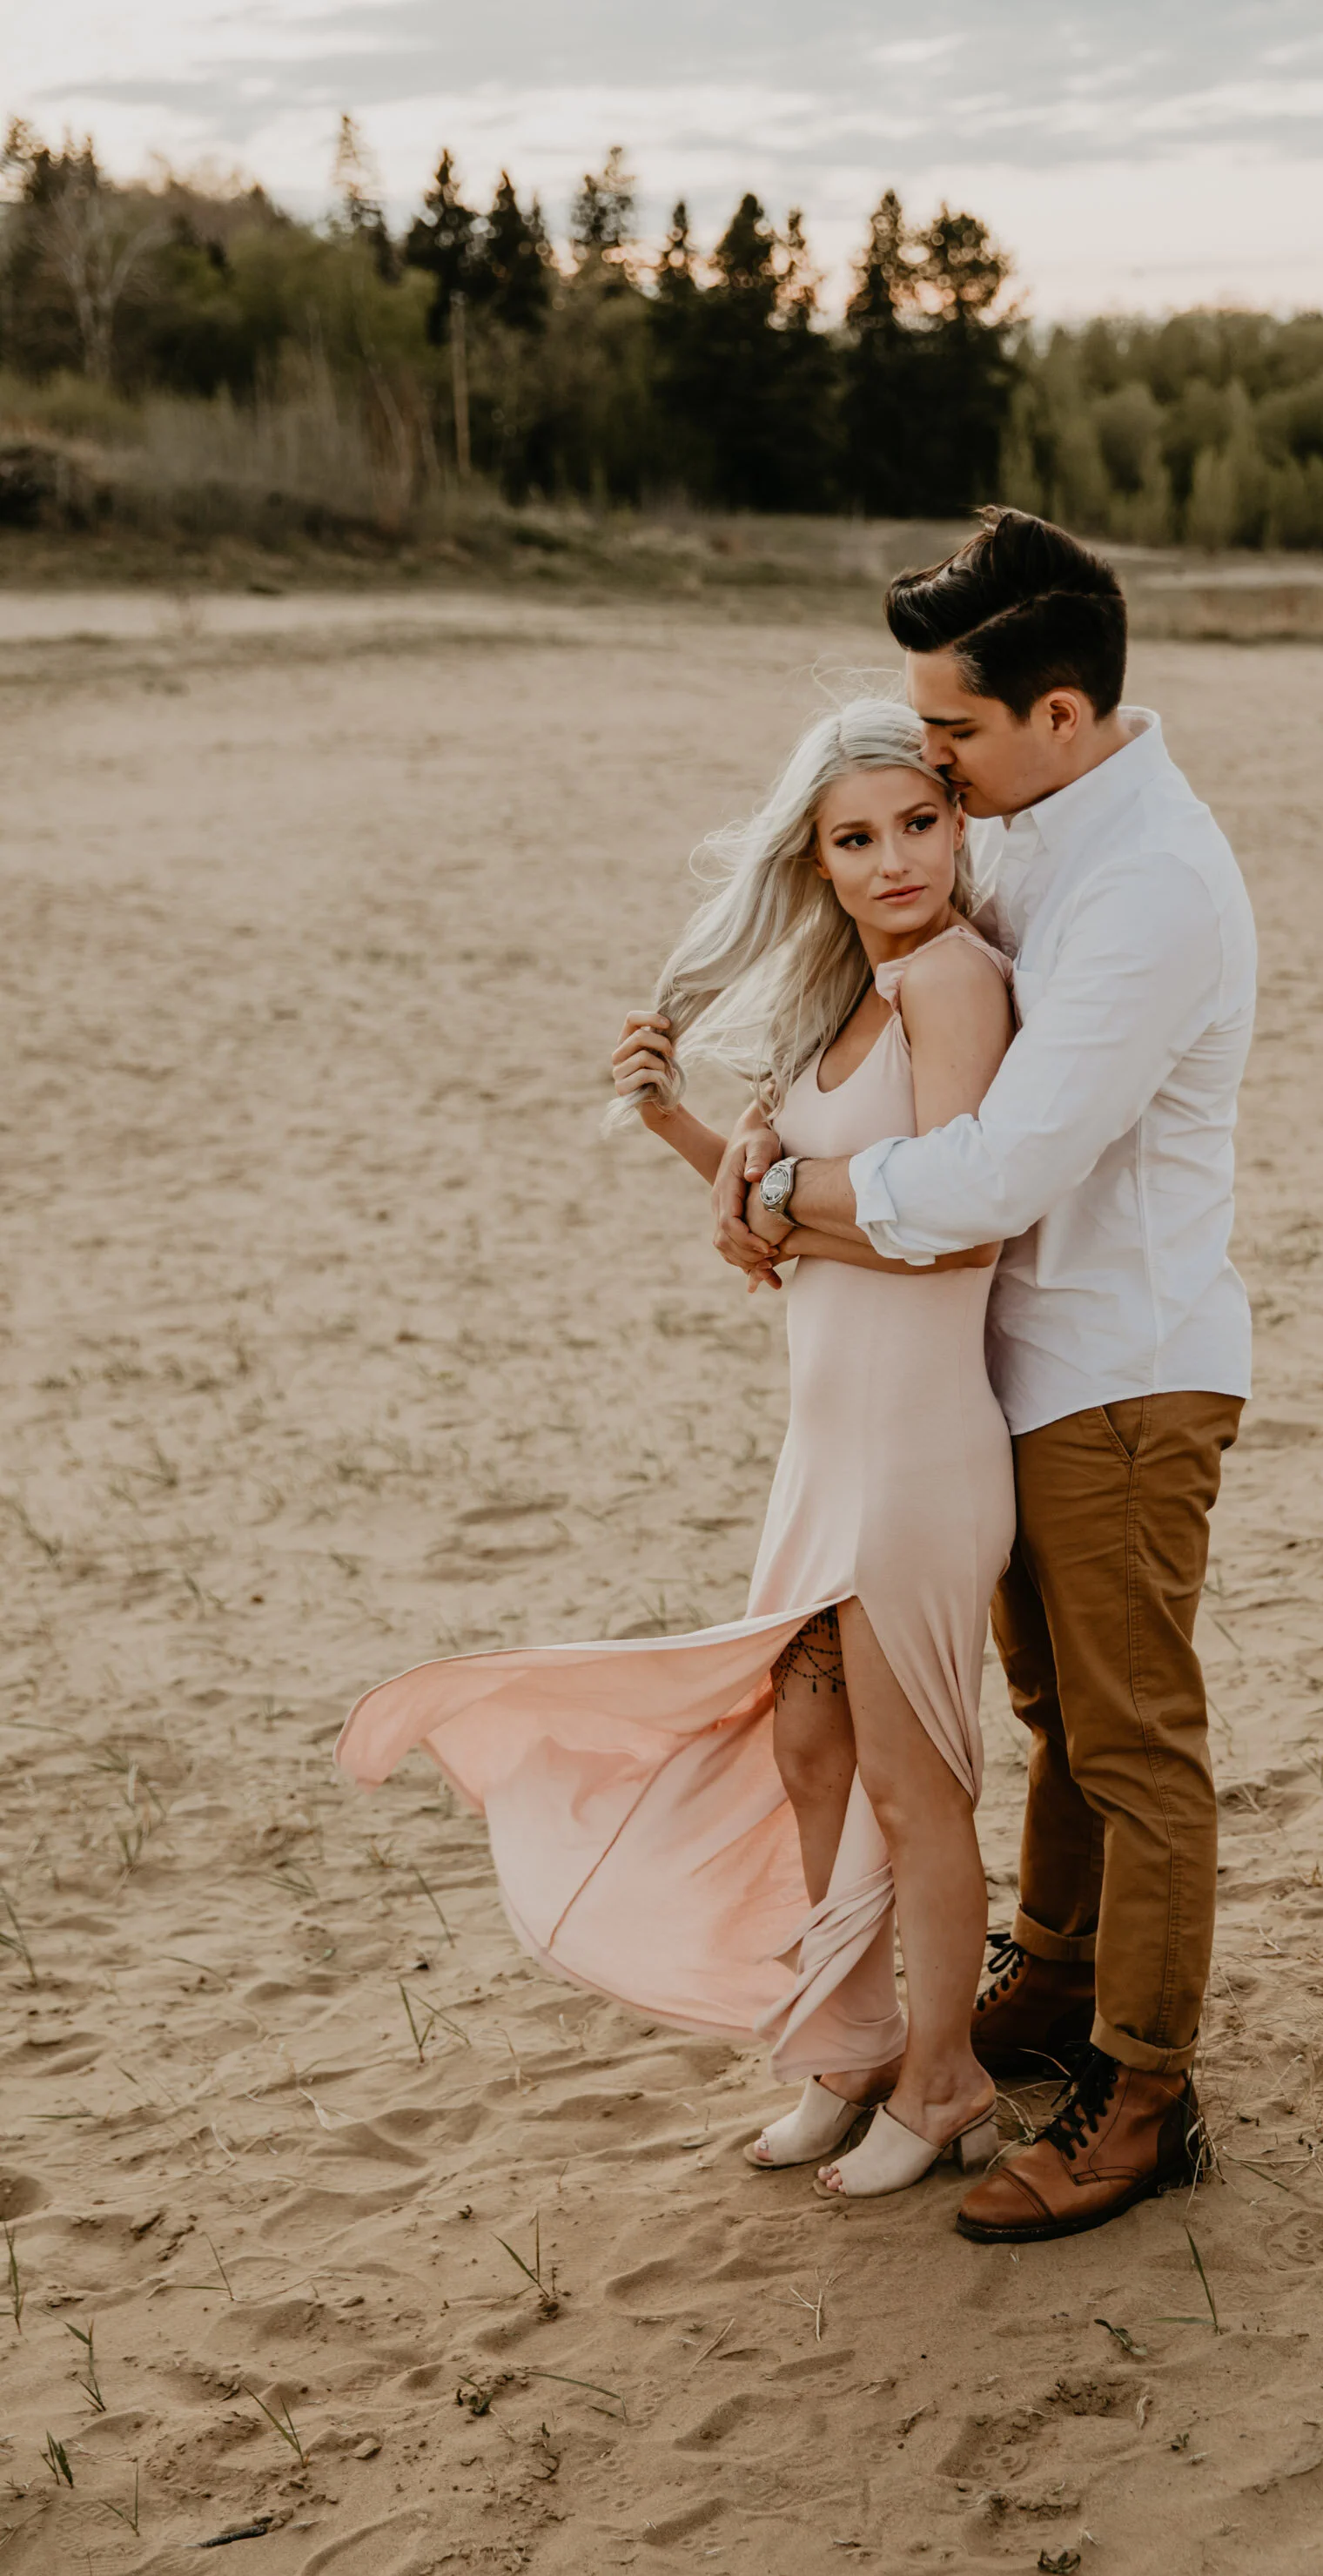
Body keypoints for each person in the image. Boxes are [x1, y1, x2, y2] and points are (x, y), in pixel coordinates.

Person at [335, 699, 1017, 2201]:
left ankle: (945, 2074)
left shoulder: (955, 980)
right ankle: (847, 2049)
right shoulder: (853, 1001)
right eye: (859, 838)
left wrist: (783, 1197)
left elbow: (955, 1215)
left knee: (915, 1787)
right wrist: (680, 1129)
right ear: (818, 864)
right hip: (824, 1446)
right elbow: (793, 1247)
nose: (896, 858)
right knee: (809, 1745)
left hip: (916, 1453)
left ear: (961, 828)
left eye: (920, 823)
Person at [715, 509, 1257, 2244]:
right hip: (1009, 1374)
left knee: (1132, 1738)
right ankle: (1055, 1980)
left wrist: (795, 1198)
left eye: (947, 734)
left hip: (1121, 1365)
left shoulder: (1147, 887)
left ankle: (1142, 2095)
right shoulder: (1029, 832)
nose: (924, 763)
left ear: (1060, 712)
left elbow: (1000, 1173)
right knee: (1055, 1723)